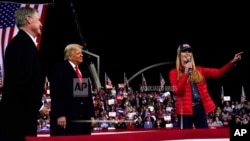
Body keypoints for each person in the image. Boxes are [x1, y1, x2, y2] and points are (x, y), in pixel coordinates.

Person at [0, 7, 49, 141]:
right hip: (19, 118)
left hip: (21, 114)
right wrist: (38, 106)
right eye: (38, 20)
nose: (41, 24)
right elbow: (24, 82)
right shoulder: (22, 44)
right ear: (29, 19)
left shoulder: (23, 43)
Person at [168, 43, 243, 129]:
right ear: (179, 55)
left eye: (189, 51)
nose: (187, 53)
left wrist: (232, 62)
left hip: (200, 108)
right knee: (186, 136)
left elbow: (218, 73)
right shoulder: (173, 73)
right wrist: (185, 73)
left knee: (204, 135)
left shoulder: (199, 70)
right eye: (184, 51)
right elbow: (178, 91)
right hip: (184, 111)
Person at [49, 43, 95, 136]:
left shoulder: (83, 71)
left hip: (82, 118)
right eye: (79, 53)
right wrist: (60, 114)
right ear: (70, 56)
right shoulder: (60, 69)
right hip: (66, 118)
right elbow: (56, 93)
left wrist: (91, 115)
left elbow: (86, 96)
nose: (82, 55)